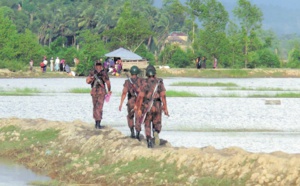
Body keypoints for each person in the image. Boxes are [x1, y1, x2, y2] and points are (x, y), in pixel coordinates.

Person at [135, 65, 169, 148]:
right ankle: (156, 131)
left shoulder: (145, 83)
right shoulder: (159, 82)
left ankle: (149, 141)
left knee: (147, 123)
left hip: (147, 106)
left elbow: (140, 96)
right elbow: (163, 96)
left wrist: (139, 108)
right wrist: (165, 108)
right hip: (157, 105)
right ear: (155, 73)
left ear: (147, 74)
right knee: (157, 122)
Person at [119, 66, 143, 140]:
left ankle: (132, 132)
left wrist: (121, 104)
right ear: (137, 73)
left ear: (131, 72)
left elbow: (124, 93)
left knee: (130, 117)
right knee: (138, 117)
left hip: (131, 102)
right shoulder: (141, 81)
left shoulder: (127, 82)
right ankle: (138, 134)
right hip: (139, 102)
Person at [86, 61, 112, 129]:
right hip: (101, 92)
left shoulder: (92, 72)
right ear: (101, 66)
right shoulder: (104, 73)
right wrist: (109, 90)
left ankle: (96, 123)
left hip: (94, 92)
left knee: (95, 107)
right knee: (99, 107)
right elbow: (108, 83)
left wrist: (91, 78)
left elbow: (87, 81)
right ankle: (98, 124)